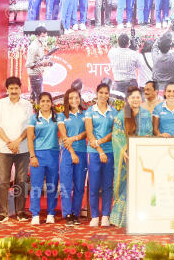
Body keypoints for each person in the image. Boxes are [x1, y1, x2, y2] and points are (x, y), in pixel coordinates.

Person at [0, 77, 34, 223]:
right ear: (7, 89)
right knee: (3, 181)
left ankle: (20, 211)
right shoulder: (0, 104)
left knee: (21, 180)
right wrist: (9, 142)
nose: (14, 91)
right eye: (11, 88)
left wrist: (17, 142)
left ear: (20, 89)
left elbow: (30, 127)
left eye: (16, 88)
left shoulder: (27, 105)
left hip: (22, 148)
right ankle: (3, 212)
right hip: (4, 148)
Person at [111, 87, 153, 227]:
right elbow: (117, 137)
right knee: (127, 186)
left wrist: (147, 139)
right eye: (132, 97)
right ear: (128, 100)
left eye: (137, 97)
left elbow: (149, 133)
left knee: (142, 186)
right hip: (127, 158)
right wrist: (125, 152)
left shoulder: (146, 114)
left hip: (143, 157)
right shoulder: (121, 115)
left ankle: (142, 218)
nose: (135, 100)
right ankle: (123, 219)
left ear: (141, 99)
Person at [85, 84, 118, 227]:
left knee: (107, 186)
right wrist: (100, 150)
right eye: (101, 92)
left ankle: (105, 215)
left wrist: (101, 143)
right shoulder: (89, 111)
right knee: (93, 186)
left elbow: (114, 133)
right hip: (93, 152)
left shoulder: (114, 112)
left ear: (109, 94)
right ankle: (94, 216)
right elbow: (89, 132)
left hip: (110, 151)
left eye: (106, 93)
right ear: (96, 93)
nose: (103, 95)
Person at [27, 92, 60, 226]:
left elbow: (64, 132)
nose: (45, 104)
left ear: (51, 103)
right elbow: (29, 138)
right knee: (36, 186)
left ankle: (51, 213)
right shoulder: (33, 119)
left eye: (47, 101)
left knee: (52, 186)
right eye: (42, 101)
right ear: (38, 103)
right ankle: (35, 214)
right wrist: (32, 156)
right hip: (38, 156)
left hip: (53, 155)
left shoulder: (57, 117)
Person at [57, 88, 88, 227]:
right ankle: (68, 214)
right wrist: (72, 153)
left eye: (76, 97)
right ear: (66, 100)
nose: (74, 100)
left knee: (80, 186)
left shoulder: (85, 115)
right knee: (66, 186)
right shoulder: (62, 116)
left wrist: (74, 138)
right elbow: (64, 137)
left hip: (82, 152)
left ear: (80, 99)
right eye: (70, 98)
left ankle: (75, 213)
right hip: (67, 154)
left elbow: (87, 132)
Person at [26, 26, 52, 103]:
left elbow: (37, 60)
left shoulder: (40, 44)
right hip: (34, 75)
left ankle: (32, 110)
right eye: (43, 36)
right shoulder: (34, 47)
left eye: (46, 36)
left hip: (39, 73)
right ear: (38, 36)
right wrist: (42, 63)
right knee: (39, 96)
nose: (45, 38)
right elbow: (29, 64)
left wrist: (45, 61)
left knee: (34, 95)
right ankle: (38, 112)